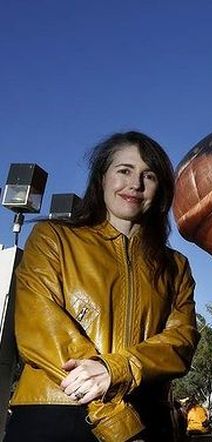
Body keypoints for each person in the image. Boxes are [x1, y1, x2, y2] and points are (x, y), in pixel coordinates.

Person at [5, 131, 199, 442]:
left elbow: (182, 340)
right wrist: (111, 413)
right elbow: (38, 326)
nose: (135, 184)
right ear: (102, 178)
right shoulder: (52, 238)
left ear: (160, 189)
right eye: (124, 170)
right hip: (57, 412)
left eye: (148, 175)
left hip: (147, 416)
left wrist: (118, 368)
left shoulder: (176, 266)